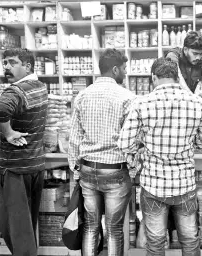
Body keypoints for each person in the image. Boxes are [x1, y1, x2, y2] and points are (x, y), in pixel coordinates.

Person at [118, 57, 202, 256]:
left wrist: (144, 146)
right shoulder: (197, 102)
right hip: (185, 184)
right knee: (189, 240)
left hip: (153, 185)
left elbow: (124, 143)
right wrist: (188, 144)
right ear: (176, 76)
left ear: (154, 77)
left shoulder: (142, 103)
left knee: (155, 242)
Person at [68, 48, 135, 256]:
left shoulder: (82, 95)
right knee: (114, 230)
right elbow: (132, 139)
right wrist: (134, 167)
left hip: (88, 169)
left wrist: (75, 169)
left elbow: (74, 138)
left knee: (90, 226)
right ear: (115, 69)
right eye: (123, 69)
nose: (125, 73)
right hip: (115, 170)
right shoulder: (127, 97)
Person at [0, 48, 48, 256]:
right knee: (26, 228)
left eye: (12, 62)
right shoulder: (39, 86)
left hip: (16, 168)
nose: (6, 67)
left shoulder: (16, 91)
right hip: (34, 165)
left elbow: (0, 108)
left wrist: (7, 133)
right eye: (5, 62)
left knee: (15, 231)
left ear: (28, 66)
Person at [165, 31, 202, 99]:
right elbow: (178, 77)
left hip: (188, 102)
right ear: (185, 49)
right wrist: (193, 97)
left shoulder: (199, 61)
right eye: (195, 53)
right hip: (172, 102)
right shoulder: (173, 55)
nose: (198, 57)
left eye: (201, 54)